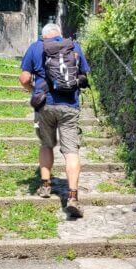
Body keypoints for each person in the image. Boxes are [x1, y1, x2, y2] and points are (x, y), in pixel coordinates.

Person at [20, 23, 90, 219]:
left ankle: (45, 186)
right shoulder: (74, 47)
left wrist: (33, 90)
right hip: (70, 106)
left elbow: (24, 78)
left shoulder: (36, 47)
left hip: (44, 106)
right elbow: (84, 75)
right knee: (71, 152)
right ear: (60, 34)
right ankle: (73, 197)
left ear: (44, 36)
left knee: (46, 145)